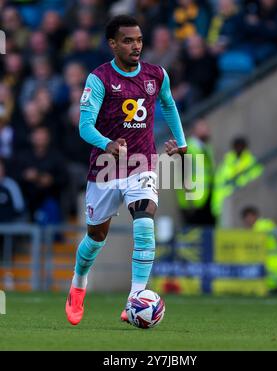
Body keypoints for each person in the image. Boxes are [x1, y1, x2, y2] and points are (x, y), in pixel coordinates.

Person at [65, 15, 187, 326]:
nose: (136, 46)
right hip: (106, 168)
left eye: (139, 40)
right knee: (96, 236)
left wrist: (182, 143)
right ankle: (79, 284)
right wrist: (106, 143)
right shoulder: (99, 78)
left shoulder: (157, 74)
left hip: (141, 163)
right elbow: (84, 126)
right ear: (113, 44)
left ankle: (135, 299)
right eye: (128, 41)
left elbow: (169, 104)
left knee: (145, 223)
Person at [212, 136, 263, 222]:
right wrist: (217, 206)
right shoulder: (227, 162)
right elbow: (219, 184)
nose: (239, 148)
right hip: (227, 203)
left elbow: (255, 180)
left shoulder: (251, 162)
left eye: (241, 146)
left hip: (244, 201)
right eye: (237, 146)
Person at [176, 118, 215, 226]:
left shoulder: (206, 147)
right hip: (193, 200)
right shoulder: (188, 148)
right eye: (202, 128)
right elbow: (183, 173)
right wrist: (189, 199)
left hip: (206, 198)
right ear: (194, 130)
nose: (206, 130)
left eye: (206, 128)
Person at [241, 206, 277, 293]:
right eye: (245, 218)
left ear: (254, 216)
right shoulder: (263, 224)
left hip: (272, 261)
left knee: (273, 288)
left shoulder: (261, 226)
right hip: (270, 259)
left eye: (249, 217)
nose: (247, 220)